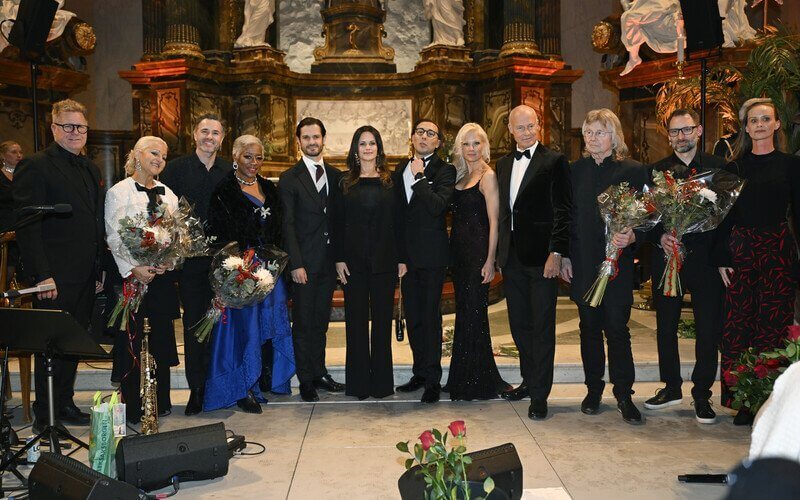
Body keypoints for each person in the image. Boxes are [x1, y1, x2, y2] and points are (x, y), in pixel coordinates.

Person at [13, 99, 103, 433]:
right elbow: (27, 225)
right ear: (53, 128)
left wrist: (99, 268)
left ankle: (64, 402)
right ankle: (46, 415)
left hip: (85, 273)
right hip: (54, 275)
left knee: (71, 343)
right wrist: (42, 276)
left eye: (81, 126)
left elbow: (93, 222)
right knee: (50, 347)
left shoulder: (90, 168)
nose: (76, 132)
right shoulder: (35, 165)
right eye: (68, 126)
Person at [713, 98, 800, 426]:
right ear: (746, 128)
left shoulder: (792, 166)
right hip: (741, 250)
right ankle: (743, 400)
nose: (760, 124)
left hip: (778, 249)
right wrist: (721, 256)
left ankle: (770, 399)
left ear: (777, 124)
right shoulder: (733, 168)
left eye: (766, 119)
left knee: (773, 326)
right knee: (738, 326)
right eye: (753, 120)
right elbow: (722, 217)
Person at [560, 108, 648, 425]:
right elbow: (565, 218)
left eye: (600, 132)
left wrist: (634, 234)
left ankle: (624, 394)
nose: (593, 138)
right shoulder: (573, 171)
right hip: (583, 264)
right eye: (588, 132)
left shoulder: (635, 171)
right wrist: (564, 256)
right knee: (589, 331)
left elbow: (652, 217)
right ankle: (593, 390)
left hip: (618, 267)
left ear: (614, 136)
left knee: (617, 330)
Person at [643, 109, 726, 424]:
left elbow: (727, 221)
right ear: (668, 136)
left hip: (706, 261)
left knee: (708, 329)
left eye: (687, 130)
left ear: (699, 130)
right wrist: (659, 235)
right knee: (665, 327)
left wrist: (722, 261)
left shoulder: (719, 170)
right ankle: (671, 387)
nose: (681, 137)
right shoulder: (656, 172)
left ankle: (702, 395)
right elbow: (645, 218)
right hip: (668, 260)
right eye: (675, 132)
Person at [204, 134, 293, 414]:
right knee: (247, 330)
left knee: (270, 326)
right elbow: (217, 236)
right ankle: (245, 388)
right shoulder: (224, 190)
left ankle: (269, 378)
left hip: (271, 271)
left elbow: (280, 229)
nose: (254, 163)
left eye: (259, 157)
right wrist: (236, 269)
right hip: (242, 272)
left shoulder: (269, 187)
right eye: (248, 156)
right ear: (235, 157)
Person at [496, 105, 571, 420]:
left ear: (539, 126)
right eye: (519, 127)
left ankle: (540, 395)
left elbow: (562, 210)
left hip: (542, 258)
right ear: (510, 130)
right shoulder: (500, 164)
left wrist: (557, 251)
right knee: (519, 324)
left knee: (542, 327)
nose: (525, 132)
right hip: (511, 256)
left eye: (530, 126)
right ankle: (529, 380)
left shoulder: (553, 161)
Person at [160, 114, 233, 416]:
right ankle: (197, 389)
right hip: (190, 264)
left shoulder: (230, 170)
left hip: (224, 261)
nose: (209, 137)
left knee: (223, 327)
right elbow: (162, 212)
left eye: (215, 133)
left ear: (222, 139)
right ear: (194, 134)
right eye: (205, 131)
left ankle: (222, 386)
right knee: (194, 326)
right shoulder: (175, 169)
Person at [104, 136, 179, 423]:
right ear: (137, 155)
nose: (160, 159)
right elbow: (114, 235)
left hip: (159, 280)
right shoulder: (118, 192)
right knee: (132, 341)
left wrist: (167, 262)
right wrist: (134, 268)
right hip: (132, 280)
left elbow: (175, 236)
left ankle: (158, 404)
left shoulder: (168, 194)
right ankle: (133, 407)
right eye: (154, 153)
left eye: (164, 155)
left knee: (158, 339)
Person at [334, 126, 406, 400]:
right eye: (362, 143)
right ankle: (358, 385)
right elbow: (337, 224)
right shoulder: (344, 182)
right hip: (352, 264)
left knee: (381, 325)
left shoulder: (391, 181)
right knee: (355, 323)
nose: (367, 148)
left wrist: (402, 259)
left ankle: (381, 385)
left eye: (372, 143)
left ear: (379, 148)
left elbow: (400, 223)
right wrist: (338, 258)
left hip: (385, 262)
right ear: (355, 148)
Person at [279, 117, 345, 402]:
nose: (312, 142)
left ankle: (320, 372)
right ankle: (305, 378)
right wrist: (296, 264)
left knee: (321, 322)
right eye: (306, 138)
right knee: (304, 323)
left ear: (323, 138)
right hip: (303, 264)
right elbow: (287, 225)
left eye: (316, 137)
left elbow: (341, 221)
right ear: (298, 142)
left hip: (329, 263)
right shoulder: (290, 178)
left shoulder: (336, 175)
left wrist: (341, 259)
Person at [445, 123, 509, 401]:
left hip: (478, 255)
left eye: (477, 144)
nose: (471, 149)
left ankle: (476, 381)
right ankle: (462, 376)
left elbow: (495, 222)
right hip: (459, 256)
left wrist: (490, 260)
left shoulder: (488, 176)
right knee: (465, 315)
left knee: (475, 316)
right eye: (466, 144)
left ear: (485, 146)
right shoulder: (461, 175)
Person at [393, 119, 456, 404]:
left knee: (430, 319)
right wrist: (399, 256)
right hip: (407, 259)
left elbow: (437, 207)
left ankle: (433, 379)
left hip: (432, 257)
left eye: (431, 133)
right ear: (412, 137)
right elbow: (396, 216)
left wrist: (419, 178)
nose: (424, 136)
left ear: (438, 142)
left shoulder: (445, 170)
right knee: (414, 317)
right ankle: (419, 372)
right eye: (419, 131)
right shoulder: (399, 169)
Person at [0, 140, 23, 275]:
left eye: (20, 152)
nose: (19, 155)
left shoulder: (24, 175)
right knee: (6, 265)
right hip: (4, 225)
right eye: (14, 152)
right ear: (3, 156)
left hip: (21, 224)